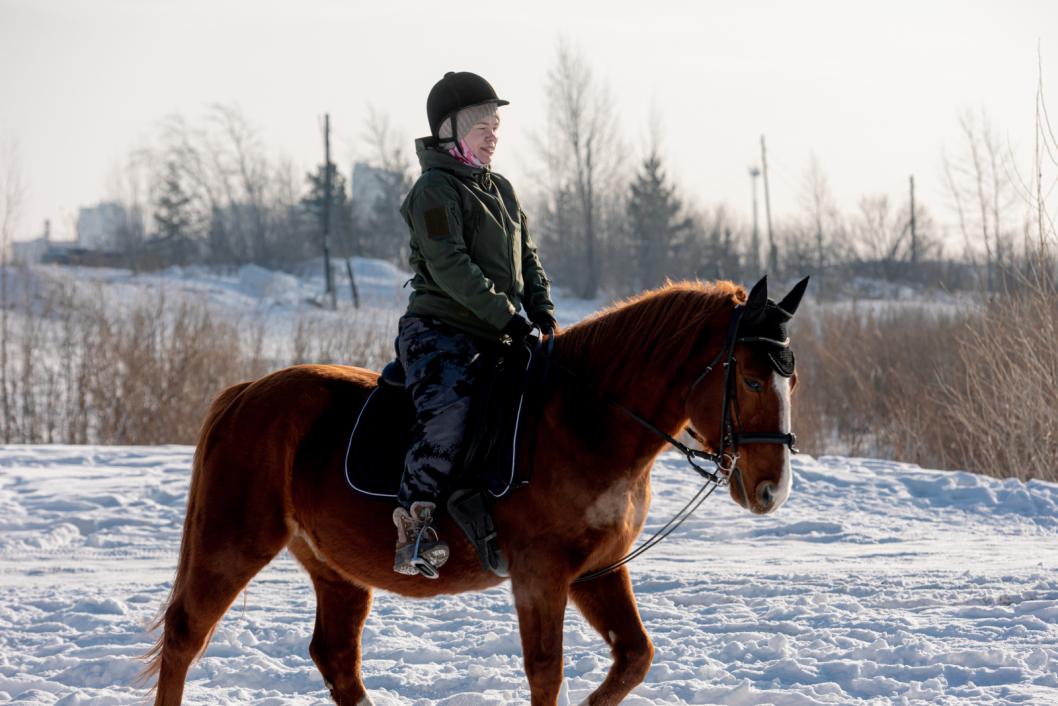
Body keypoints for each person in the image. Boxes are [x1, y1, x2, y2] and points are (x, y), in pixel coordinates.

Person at [392, 71, 557, 578]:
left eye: (496, 124)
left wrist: (541, 308)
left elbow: (526, 257)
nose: (493, 134)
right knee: (451, 412)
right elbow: (451, 267)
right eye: (481, 124)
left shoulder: (501, 189)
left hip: (499, 328)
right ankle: (413, 530)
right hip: (440, 330)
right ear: (449, 130)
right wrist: (507, 319)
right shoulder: (434, 190)